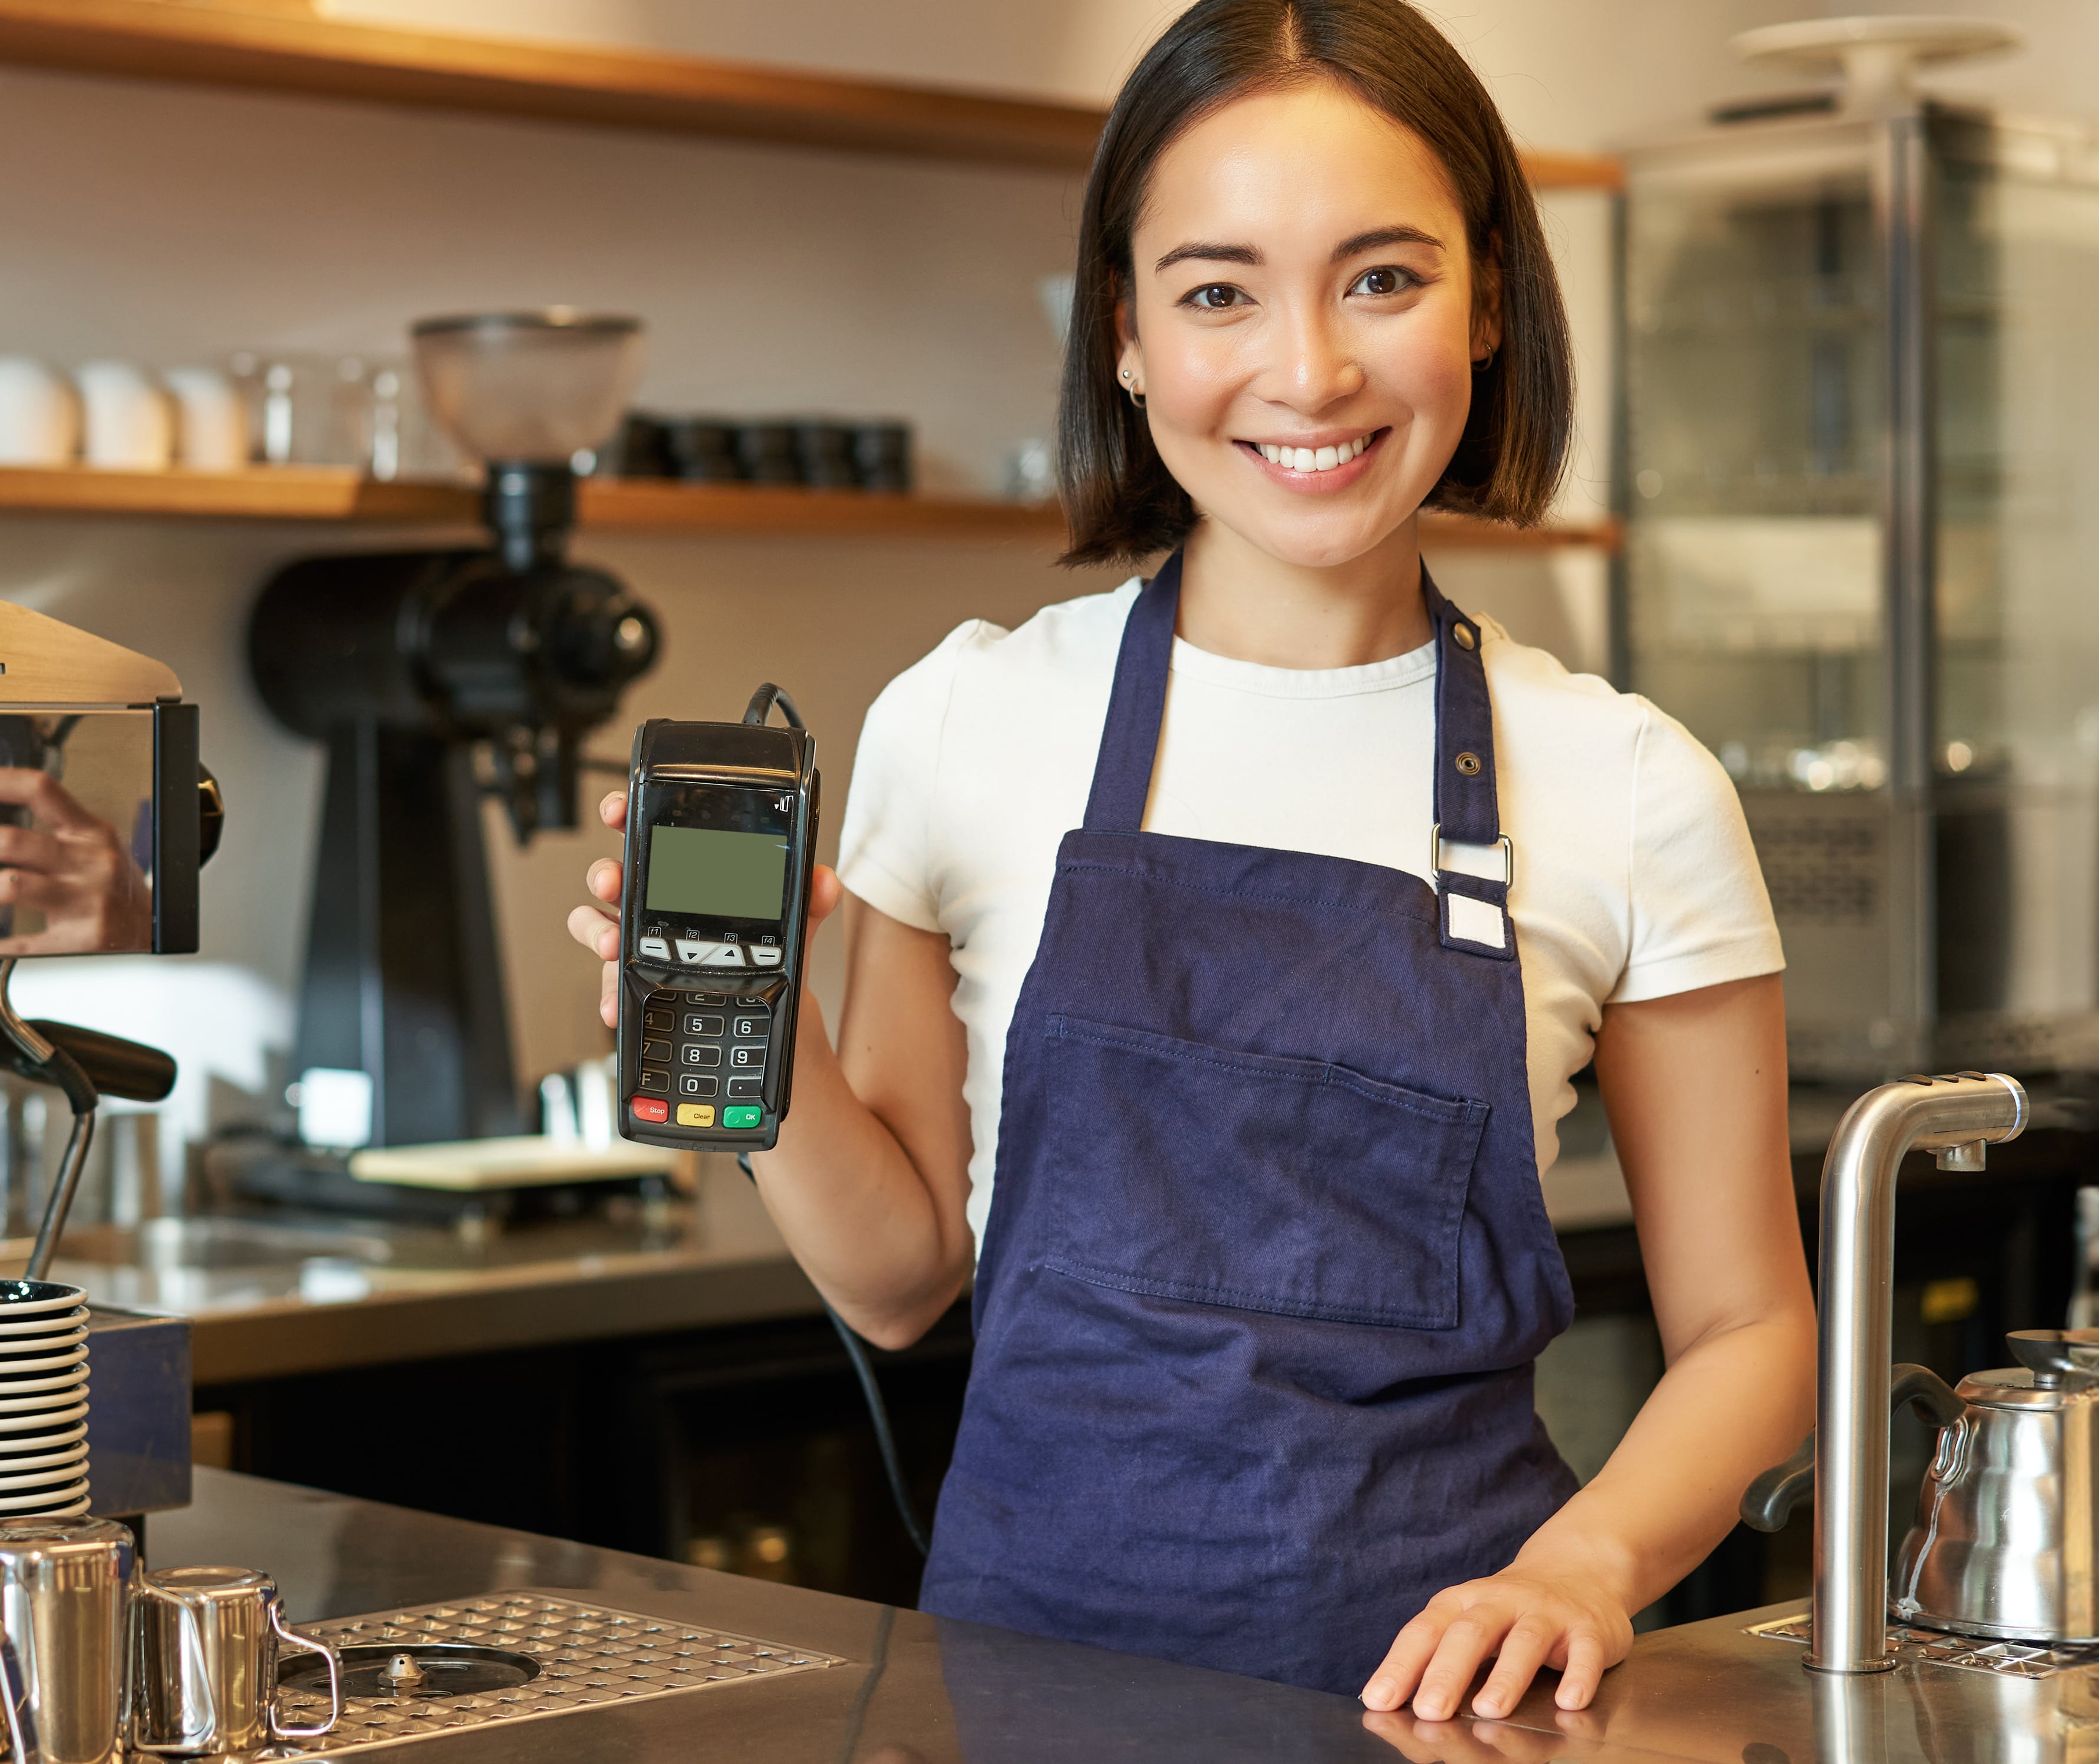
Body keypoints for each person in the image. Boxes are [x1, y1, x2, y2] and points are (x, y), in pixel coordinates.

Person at [558, 0, 1811, 1722]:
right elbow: (903, 1272)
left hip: (1443, 1716)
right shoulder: (966, 722)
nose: (1309, 371)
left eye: (1384, 278)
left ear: (1493, 300)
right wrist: (747, 1054)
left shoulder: (1628, 783)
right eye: (1220, 290)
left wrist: (1581, 1564)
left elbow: (1752, 1338)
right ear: (1127, 334)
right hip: (1022, 1701)